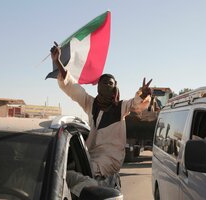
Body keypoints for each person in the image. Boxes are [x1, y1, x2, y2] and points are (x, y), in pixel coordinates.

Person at [50, 43, 152, 197]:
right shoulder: (92, 104)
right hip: (91, 154)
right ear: (98, 87)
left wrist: (143, 95)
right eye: (103, 83)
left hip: (110, 159)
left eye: (110, 83)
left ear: (115, 87)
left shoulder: (120, 107)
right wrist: (58, 62)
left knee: (78, 173)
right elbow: (73, 88)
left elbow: (136, 104)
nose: (106, 86)